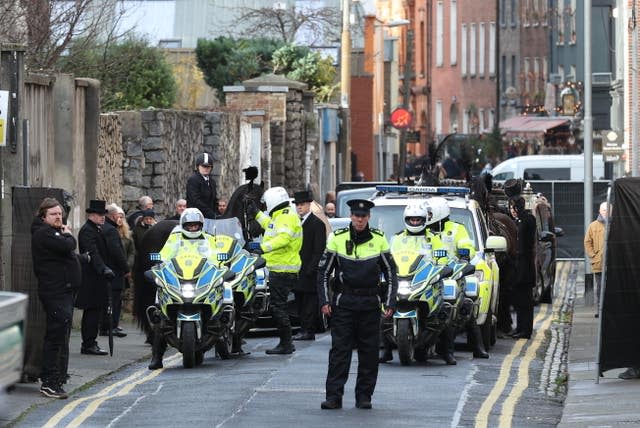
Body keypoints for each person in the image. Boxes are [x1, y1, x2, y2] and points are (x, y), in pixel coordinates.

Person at [317, 199, 398, 410]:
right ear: (351, 216)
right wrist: (325, 300)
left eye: (363, 216)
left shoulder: (380, 240)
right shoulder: (337, 237)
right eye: (356, 216)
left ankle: (364, 396)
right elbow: (324, 273)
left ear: (368, 217)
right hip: (344, 304)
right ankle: (334, 396)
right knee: (339, 353)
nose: (359, 220)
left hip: (370, 305)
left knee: (369, 353)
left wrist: (389, 301)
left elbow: (390, 273)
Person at [148, 208, 219, 369]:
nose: (192, 229)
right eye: (189, 226)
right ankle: (157, 357)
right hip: (177, 281)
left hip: (200, 281)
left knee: (224, 302)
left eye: (195, 226)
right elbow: (164, 256)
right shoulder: (175, 239)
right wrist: (157, 267)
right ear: (183, 226)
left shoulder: (208, 239)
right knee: (159, 314)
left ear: (200, 225)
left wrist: (220, 268)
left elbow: (215, 258)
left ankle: (223, 334)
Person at [31, 198, 83, 399]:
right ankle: (49, 381)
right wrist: (69, 235)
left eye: (60, 214)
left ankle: (58, 377)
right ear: (43, 216)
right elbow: (67, 246)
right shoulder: (44, 233)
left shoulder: (51, 232)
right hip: (55, 293)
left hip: (64, 291)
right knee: (55, 337)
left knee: (61, 336)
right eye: (53, 214)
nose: (58, 217)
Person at [246, 186, 302, 355]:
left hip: (282, 270)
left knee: (278, 307)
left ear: (272, 202)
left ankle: (286, 343)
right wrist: (256, 213)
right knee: (278, 306)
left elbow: (283, 239)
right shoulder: (281, 216)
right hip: (279, 269)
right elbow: (269, 225)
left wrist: (262, 248)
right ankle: (286, 342)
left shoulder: (286, 217)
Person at [76, 200, 121, 356]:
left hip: (98, 278)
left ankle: (90, 342)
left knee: (95, 311)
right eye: (100, 215)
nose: (103, 217)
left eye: (104, 214)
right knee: (92, 311)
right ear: (91, 215)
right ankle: (88, 344)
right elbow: (92, 253)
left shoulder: (96, 229)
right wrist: (104, 269)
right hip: (91, 278)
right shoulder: (88, 231)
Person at [292, 190, 326, 341]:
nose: (299, 207)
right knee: (299, 301)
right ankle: (303, 328)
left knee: (309, 302)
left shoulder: (316, 223)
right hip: (296, 269)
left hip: (308, 270)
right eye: (297, 205)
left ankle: (308, 330)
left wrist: (311, 268)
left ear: (308, 205)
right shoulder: (296, 223)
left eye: (302, 204)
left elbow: (318, 249)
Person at [102, 204, 133, 338]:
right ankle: (110, 326)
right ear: (113, 216)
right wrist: (125, 268)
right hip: (115, 271)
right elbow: (117, 252)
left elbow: (131, 251)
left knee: (116, 300)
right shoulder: (111, 230)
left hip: (114, 270)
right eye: (118, 216)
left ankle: (112, 325)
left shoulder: (110, 229)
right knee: (113, 300)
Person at [509, 196, 536, 340]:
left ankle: (526, 330)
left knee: (526, 301)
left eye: (513, 207)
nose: (511, 211)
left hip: (525, 267)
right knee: (519, 301)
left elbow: (525, 244)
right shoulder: (518, 221)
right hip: (518, 266)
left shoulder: (528, 220)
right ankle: (519, 328)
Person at [584, 201, 609, 318]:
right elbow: (587, 242)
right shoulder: (593, 225)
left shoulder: (617, 224)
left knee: (611, 288)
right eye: (604, 210)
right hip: (598, 263)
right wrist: (593, 255)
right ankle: (600, 310)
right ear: (600, 211)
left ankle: (609, 310)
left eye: (609, 210)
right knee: (600, 288)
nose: (606, 212)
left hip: (613, 263)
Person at [187, 152, 219, 219]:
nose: (206, 168)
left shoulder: (212, 182)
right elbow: (195, 200)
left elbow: (214, 200)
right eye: (203, 166)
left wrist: (217, 213)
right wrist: (210, 213)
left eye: (208, 166)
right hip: (195, 217)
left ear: (211, 168)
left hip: (210, 218)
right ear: (198, 166)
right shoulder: (193, 180)